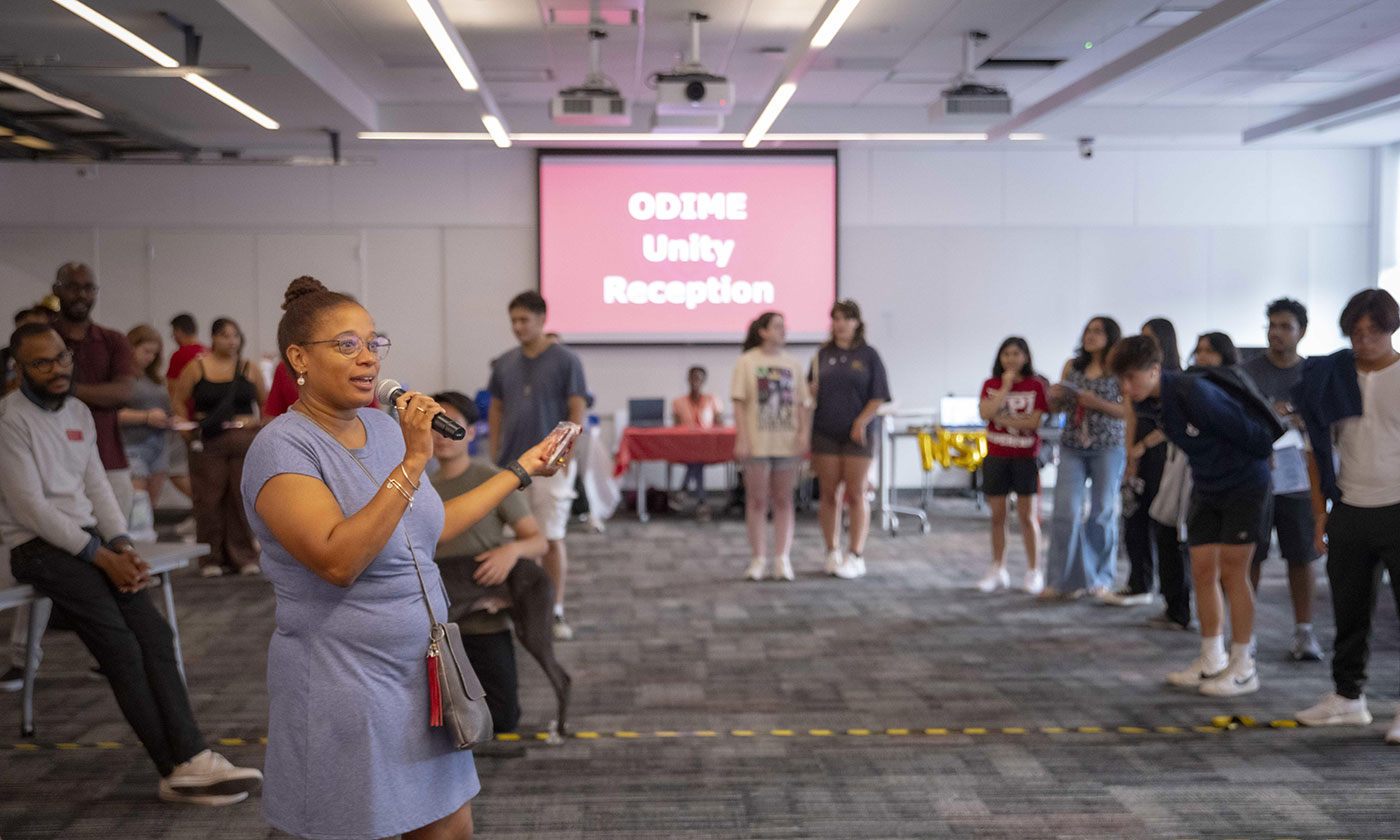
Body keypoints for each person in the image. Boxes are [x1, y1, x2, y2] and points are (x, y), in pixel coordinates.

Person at [242, 277, 561, 840]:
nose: (367, 357)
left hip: (424, 671)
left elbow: (426, 528)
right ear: (299, 359)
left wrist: (521, 471)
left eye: (373, 343)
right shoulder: (283, 447)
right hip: (347, 680)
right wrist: (414, 462)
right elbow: (338, 560)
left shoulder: (383, 431)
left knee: (450, 828)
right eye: (346, 345)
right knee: (361, 828)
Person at [0, 323, 263, 805]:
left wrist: (121, 544)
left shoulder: (78, 409)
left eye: (62, 358)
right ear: (18, 369)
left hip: (88, 541)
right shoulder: (9, 420)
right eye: (42, 363)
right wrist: (101, 555)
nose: (57, 369)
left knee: (156, 635)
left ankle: (193, 757)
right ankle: (177, 767)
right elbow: (30, 509)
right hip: (36, 547)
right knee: (119, 647)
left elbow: (97, 484)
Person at [1112, 333, 1276, 697]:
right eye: (1120, 380)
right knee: (1201, 570)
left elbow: (1257, 438)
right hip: (1206, 485)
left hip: (1245, 485)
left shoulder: (1193, 391)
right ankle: (1211, 657)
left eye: (1131, 378)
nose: (1126, 387)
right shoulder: (1150, 403)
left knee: (1234, 572)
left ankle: (1244, 665)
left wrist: (1244, 474)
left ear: (1155, 370)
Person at [1294, 289, 1400, 743]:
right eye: (1355, 333)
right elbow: (1317, 452)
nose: (1363, 341)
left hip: (1398, 505)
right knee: (1348, 609)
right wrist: (1321, 514)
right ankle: (1347, 697)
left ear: (1390, 329)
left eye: (1372, 331)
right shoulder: (1333, 377)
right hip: (1350, 507)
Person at [428, 390, 561, 735]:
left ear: (471, 432)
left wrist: (511, 551)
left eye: (451, 425)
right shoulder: (419, 488)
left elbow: (537, 540)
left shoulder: (491, 479)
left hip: (487, 623)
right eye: (433, 426)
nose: (440, 435)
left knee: (502, 721)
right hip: (438, 624)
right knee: (439, 724)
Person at [487, 291, 588, 641]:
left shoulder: (566, 360)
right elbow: (496, 407)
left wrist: (567, 453)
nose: (517, 327)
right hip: (510, 465)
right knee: (514, 537)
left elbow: (577, 407)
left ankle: (555, 610)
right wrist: (495, 451)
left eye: (524, 320)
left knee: (551, 537)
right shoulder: (504, 362)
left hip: (552, 465)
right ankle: (519, 607)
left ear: (542, 319)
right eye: (513, 320)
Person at [1240, 298, 1323, 661]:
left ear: (1301, 331)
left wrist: (1301, 419)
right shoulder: (1247, 372)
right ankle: (1245, 634)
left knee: (1301, 554)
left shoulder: (1313, 374)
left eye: (1285, 326)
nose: (1276, 333)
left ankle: (1304, 632)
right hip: (1257, 472)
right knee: (1250, 555)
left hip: (1298, 476)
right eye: (1271, 325)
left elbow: (1327, 425)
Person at [1102, 318, 1192, 624]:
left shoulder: (1177, 384)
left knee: (1168, 529)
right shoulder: (1137, 386)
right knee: (1135, 519)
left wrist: (1146, 445)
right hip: (1140, 456)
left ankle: (1177, 603)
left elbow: (1174, 427)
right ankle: (1140, 583)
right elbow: (1130, 416)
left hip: (1167, 459)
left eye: (1148, 340)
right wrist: (1131, 452)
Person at [170, 317, 268, 577]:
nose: (231, 340)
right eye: (225, 335)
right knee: (208, 500)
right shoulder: (197, 367)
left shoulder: (249, 368)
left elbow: (265, 402)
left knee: (241, 499)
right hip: (208, 441)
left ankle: (244, 556)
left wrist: (260, 429)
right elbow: (178, 401)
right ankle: (210, 558)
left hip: (244, 442)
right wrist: (185, 433)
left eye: (235, 335)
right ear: (212, 337)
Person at [1043, 317, 1127, 599]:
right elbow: (1057, 407)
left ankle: (1099, 578)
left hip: (1108, 446)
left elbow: (1128, 411)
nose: (1091, 336)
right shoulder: (1072, 366)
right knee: (1065, 511)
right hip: (1072, 444)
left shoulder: (1120, 369)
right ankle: (1061, 581)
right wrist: (1055, 397)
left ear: (1111, 336)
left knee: (1102, 512)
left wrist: (1098, 403)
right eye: (1088, 331)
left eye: (1098, 331)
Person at [808, 300, 891, 580]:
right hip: (825, 431)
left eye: (845, 319)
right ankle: (832, 550)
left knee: (855, 493)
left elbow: (878, 395)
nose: (839, 324)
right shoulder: (822, 355)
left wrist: (861, 421)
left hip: (858, 434)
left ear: (856, 322)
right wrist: (810, 391)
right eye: (835, 319)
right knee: (829, 493)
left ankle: (855, 554)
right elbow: (811, 393)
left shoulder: (869, 355)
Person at [51, 262, 136, 518]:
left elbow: (123, 393)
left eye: (89, 288)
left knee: (116, 536)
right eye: (73, 288)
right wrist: (98, 393)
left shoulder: (113, 340)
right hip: (54, 459)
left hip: (108, 457)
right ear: (56, 290)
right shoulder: (44, 340)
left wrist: (67, 388)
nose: (82, 295)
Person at [732, 311, 809, 582]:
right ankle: (758, 558)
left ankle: (782, 558)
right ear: (763, 331)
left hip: (786, 442)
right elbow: (739, 403)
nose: (783, 330)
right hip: (757, 442)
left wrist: (803, 432)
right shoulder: (747, 362)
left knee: (785, 500)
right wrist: (742, 437)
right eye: (777, 326)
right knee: (756, 500)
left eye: (784, 326)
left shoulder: (793, 364)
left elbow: (802, 402)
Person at [976, 336, 1048, 593]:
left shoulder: (1036, 385)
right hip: (996, 456)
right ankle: (998, 568)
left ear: (1026, 357)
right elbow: (984, 413)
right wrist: (1004, 389)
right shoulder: (992, 384)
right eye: (1006, 354)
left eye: (1017, 354)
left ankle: (1033, 570)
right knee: (998, 516)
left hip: (1025, 458)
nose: (1011, 359)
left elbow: (1034, 423)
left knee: (1027, 517)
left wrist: (1002, 417)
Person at [119, 325, 174, 510]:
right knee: (137, 506)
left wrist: (172, 419)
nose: (150, 357)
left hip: (158, 444)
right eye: (146, 351)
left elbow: (165, 408)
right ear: (131, 348)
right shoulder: (122, 378)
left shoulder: (154, 378)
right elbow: (114, 414)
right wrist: (145, 417)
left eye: (154, 353)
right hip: (132, 445)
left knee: (150, 507)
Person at [671, 365, 725, 521]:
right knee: (696, 460)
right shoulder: (678, 402)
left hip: (708, 445)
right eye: (693, 377)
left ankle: (683, 491)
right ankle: (702, 503)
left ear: (704, 381)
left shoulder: (712, 400)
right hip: (686, 446)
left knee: (697, 459)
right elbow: (676, 427)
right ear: (688, 379)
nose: (695, 381)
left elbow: (719, 425)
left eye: (699, 378)